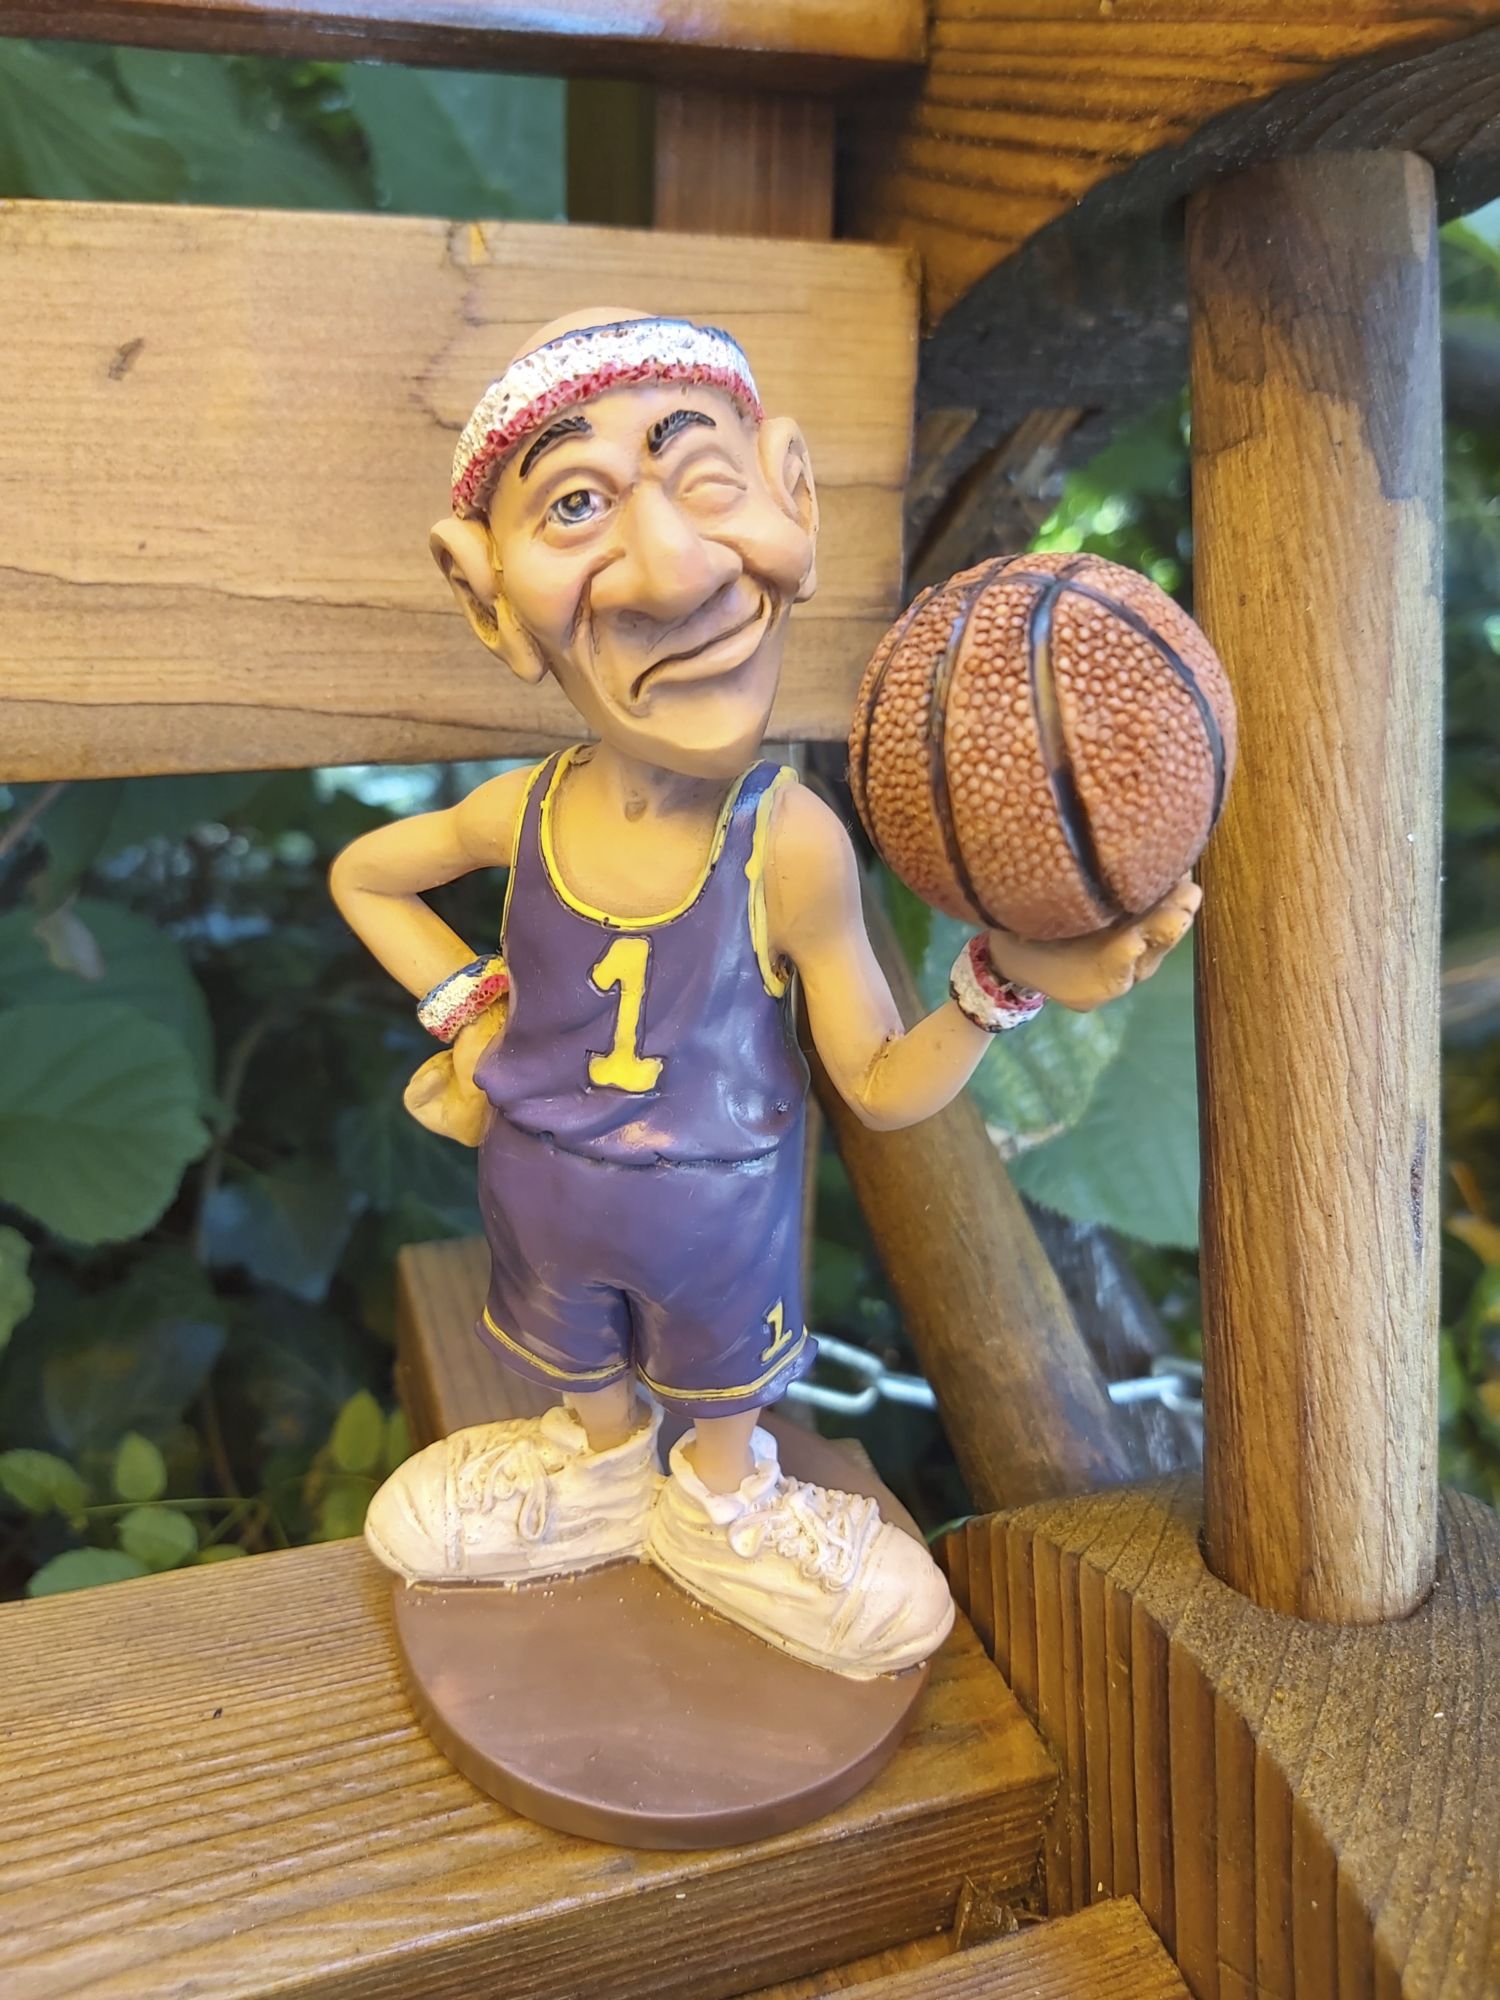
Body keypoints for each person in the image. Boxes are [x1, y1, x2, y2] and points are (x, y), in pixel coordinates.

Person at [330, 309, 1199, 1678]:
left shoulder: (786, 844)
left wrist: (998, 985)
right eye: (575, 506)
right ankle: (593, 1470)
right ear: (487, 591)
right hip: (540, 1190)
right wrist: (472, 1010)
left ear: (793, 494)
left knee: (725, 1399)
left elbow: (881, 1086)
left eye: (707, 479)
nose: (675, 566)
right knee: (578, 1371)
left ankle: (724, 1504)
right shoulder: (524, 812)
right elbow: (366, 877)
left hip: (721, 1217)